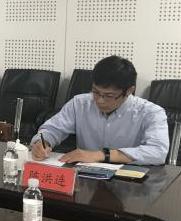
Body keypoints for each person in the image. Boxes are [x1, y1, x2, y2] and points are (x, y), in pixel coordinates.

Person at [31, 55, 169, 165]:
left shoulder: (151, 113)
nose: (100, 100)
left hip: (128, 181)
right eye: (96, 92)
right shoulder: (80, 104)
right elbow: (53, 129)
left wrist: (102, 155)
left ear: (129, 91)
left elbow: (158, 152)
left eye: (109, 96)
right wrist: (42, 143)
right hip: (85, 178)